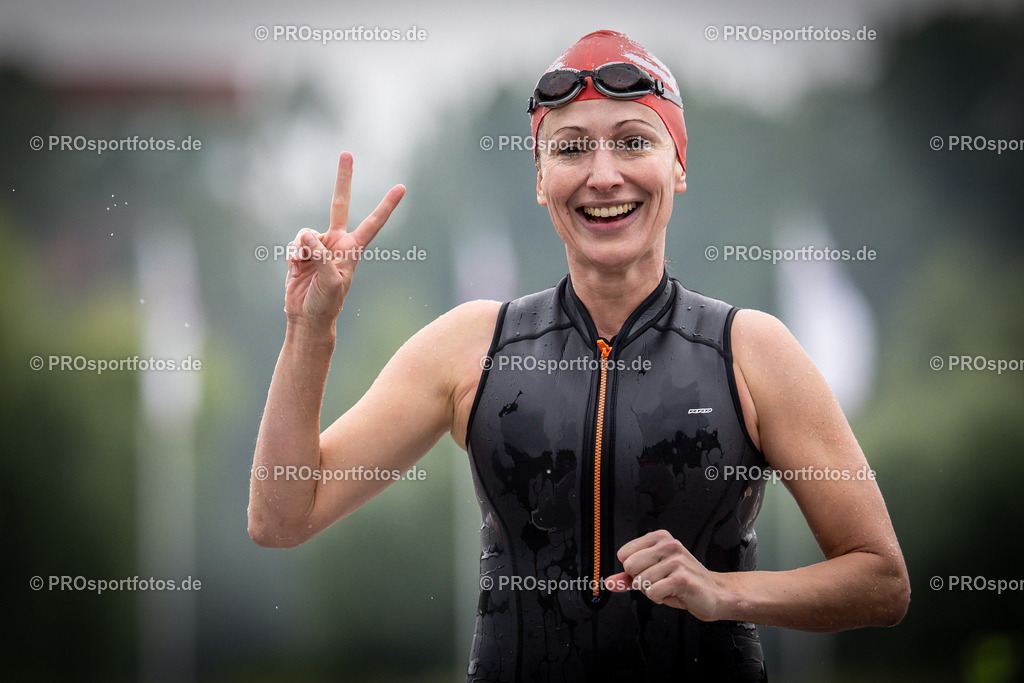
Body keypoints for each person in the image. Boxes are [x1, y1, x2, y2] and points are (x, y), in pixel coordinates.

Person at [248, 30, 910, 682]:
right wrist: (311, 331)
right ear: (541, 179)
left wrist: (725, 590)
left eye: (632, 141)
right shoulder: (471, 347)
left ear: (677, 165)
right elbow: (283, 518)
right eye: (571, 149)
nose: (603, 174)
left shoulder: (750, 351)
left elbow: (881, 579)